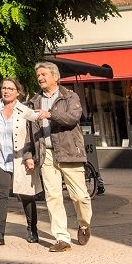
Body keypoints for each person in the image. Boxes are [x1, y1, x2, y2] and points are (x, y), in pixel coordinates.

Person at [34, 61, 93, 252]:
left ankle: (84, 224)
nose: (41, 78)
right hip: (47, 154)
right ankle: (61, 238)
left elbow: (72, 119)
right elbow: (30, 129)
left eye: (44, 74)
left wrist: (49, 115)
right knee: (53, 196)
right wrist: (29, 154)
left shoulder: (70, 96)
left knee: (80, 197)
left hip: (69, 152)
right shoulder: (35, 100)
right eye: (38, 76)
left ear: (55, 77)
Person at [0, 78, 41, 245]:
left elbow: (32, 131)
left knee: (26, 194)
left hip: (19, 159)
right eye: (4, 88)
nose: (6, 91)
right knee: (1, 195)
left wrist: (31, 156)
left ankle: (32, 228)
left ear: (17, 92)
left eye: (10, 88)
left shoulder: (24, 109)